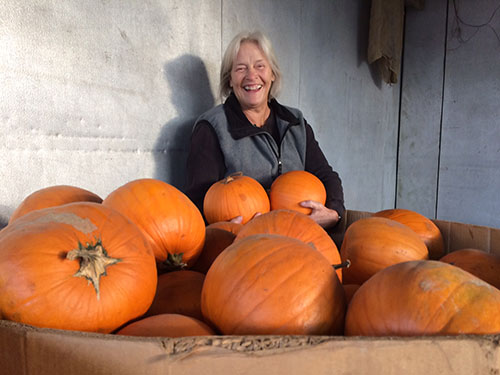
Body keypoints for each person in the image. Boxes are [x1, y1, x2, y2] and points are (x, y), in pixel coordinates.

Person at [185, 30, 344, 229]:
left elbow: (326, 175)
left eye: (260, 66)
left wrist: (334, 213)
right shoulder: (211, 128)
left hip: (300, 235)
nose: (252, 76)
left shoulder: (295, 122)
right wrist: (224, 229)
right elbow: (198, 202)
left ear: (272, 74)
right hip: (245, 246)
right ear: (229, 80)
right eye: (241, 68)